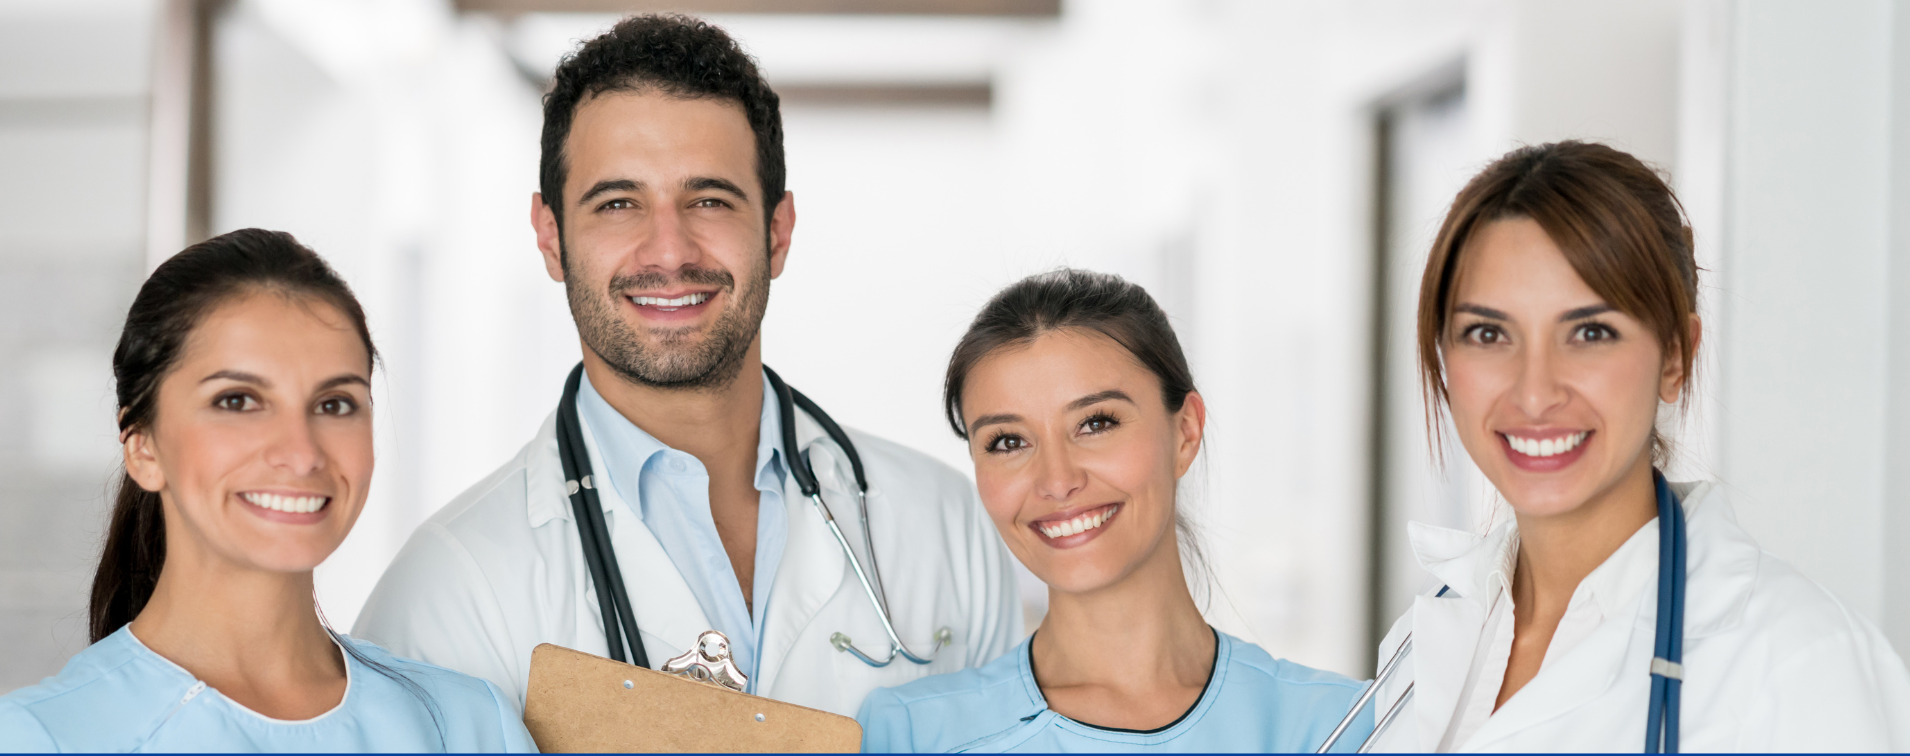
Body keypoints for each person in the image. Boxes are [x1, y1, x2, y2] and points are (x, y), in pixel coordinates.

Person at [352, 14, 1020, 718]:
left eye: (708, 200)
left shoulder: (944, 527)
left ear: (778, 229)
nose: (668, 251)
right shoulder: (448, 595)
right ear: (550, 238)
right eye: (617, 203)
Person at [1348, 141, 1910, 751]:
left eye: (1591, 332)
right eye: (1488, 333)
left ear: (1676, 356)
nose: (1535, 394)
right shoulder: (1426, 641)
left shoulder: (1797, 664)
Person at [0, 229, 535, 752]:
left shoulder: (468, 726)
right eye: (238, 401)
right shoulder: (43, 736)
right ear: (144, 449)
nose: (301, 453)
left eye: (334, 404)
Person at [858, 270, 1368, 752]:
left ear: (1185, 431)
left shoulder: (1344, 726)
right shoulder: (910, 734)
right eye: (1009, 441)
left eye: (1096, 423)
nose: (1057, 481)